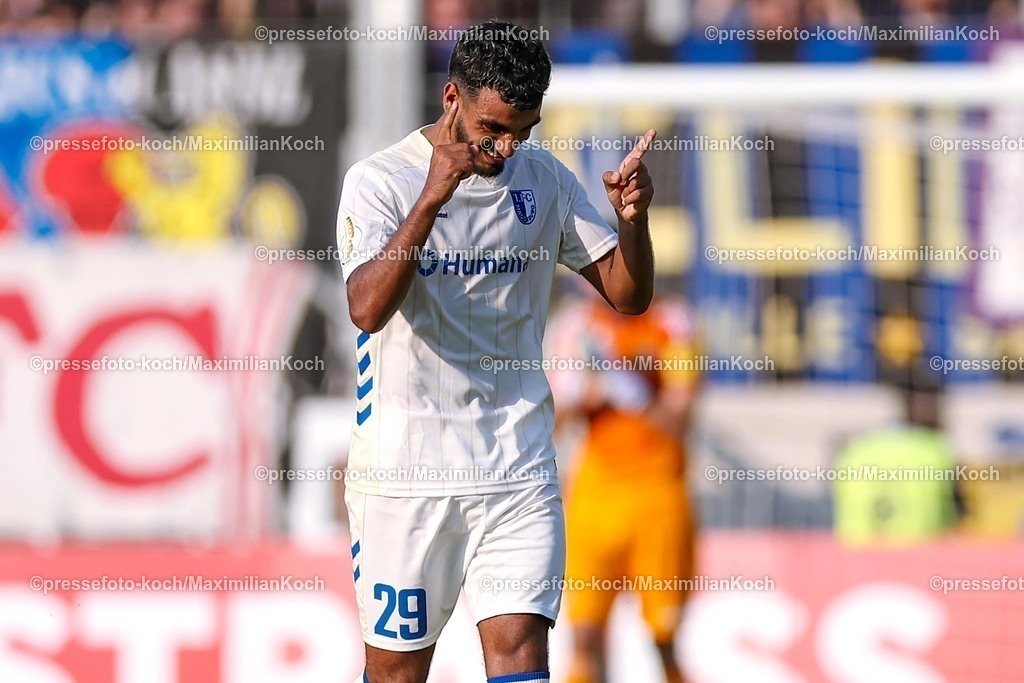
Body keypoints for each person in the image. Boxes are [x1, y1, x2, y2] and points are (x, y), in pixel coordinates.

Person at [336, 19, 658, 683]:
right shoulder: (382, 182)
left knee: (520, 657)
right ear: (452, 99)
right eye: (494, 129)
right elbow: (366, 308)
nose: (509, 148)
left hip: (516, 464)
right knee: (396, 671)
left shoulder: (543, 180)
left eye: (526, 130)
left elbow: (628, 294)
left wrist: (632, 222)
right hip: (406, 472)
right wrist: (432, 198)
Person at [547, 294, 702, 683]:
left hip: (658, 495)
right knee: (584, 636)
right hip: (596, 497)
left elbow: (681, 417)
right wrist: (582, 393)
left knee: (664, 637)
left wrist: (634, 391)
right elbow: (551, 422)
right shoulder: (575, 327)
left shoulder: (674, 323)